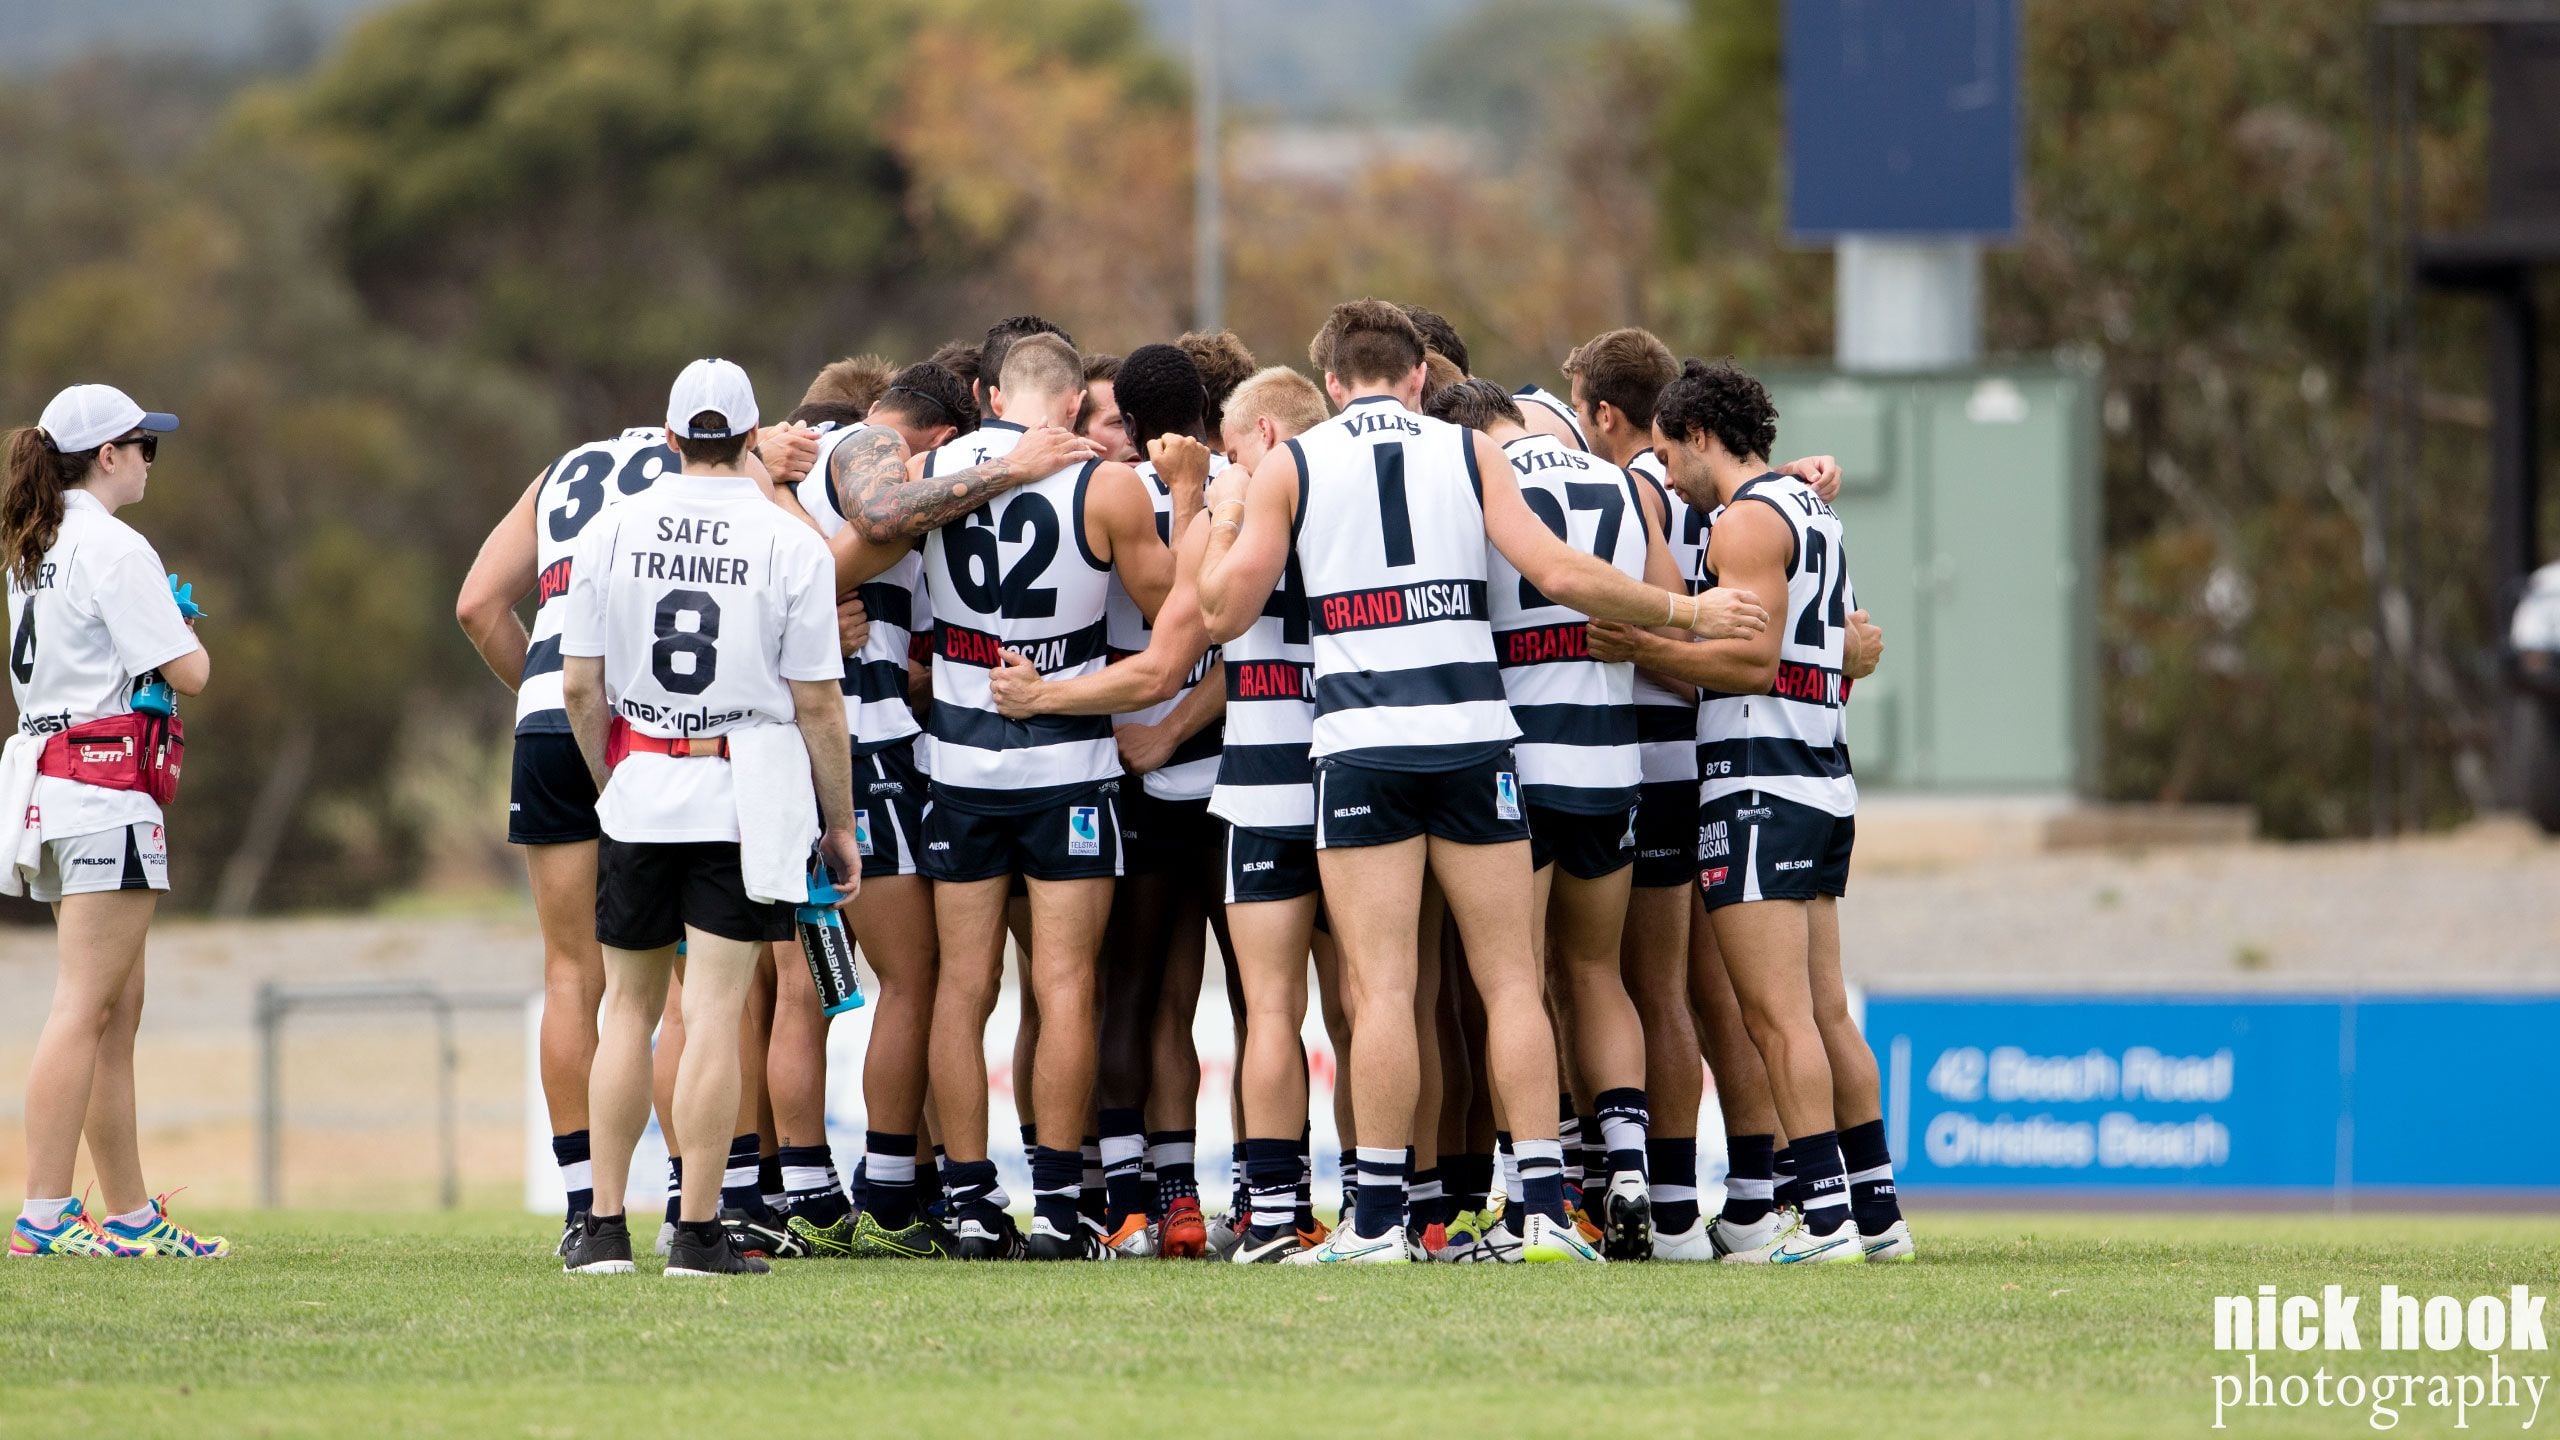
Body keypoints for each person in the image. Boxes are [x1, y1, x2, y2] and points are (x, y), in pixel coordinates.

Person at [1199, 300, 1767, 1265]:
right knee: (1513, 983)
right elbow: (1558, 570)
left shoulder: (1297, 462)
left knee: (1383, 991)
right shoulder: (1471, 455)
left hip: (1365, 747)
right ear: (1420, 377)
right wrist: (1687, 612)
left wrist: (1220, 522)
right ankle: (1543, 1209)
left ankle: (1376, 1224)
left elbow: (1224, 610)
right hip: (1477, 745)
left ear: (1332, 383)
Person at [1589, 358, 1906, 1265]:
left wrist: (1641, 642)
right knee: (1824, 1011)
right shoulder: (1817, 511)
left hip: (1758, 780)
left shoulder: (1747, 519)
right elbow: (1844, 644)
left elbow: (1749, 662)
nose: (1671, 479)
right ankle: (1877, 1214)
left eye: (1667, 453)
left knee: (1777, 1017)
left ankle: (1827, 1219)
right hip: (1820, 771)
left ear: (1697, 436)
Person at [553, 358, 861, 1278]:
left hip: (643, 781)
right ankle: (696, 1232)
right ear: (753, 433)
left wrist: (610, 783)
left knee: (626, 1013)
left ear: (674, 432)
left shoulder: (611, 528)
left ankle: (600, 1228)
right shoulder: (787, 540)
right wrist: (837, 823)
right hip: (745, 791)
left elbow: (579, 684)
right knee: (716, 1015)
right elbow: (817, 704)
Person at [909, 333, 1182, 1261]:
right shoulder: (1102, 484)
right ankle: (1063, 1213)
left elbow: (854, 553)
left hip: (957, 764)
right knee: (1064, 987)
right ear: (1071, 406)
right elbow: (1172, 610)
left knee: (961, 988)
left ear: (992, 394)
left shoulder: (936, 468)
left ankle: (968, 1203)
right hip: (1066, 765)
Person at [1427, 378, 1674, 1261]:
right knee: (1598, 972)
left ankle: (1535, 1193)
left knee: (1515, 984)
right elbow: (1665, 608)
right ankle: (1630, 1171)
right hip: (1611, 761)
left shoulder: (1472, 481)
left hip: (1519, 768)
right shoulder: (1612, 480)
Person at [3, 385, 221, 1261]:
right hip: (103, 790)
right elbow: (191, 672)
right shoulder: (112, 543)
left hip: (49, 784)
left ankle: (129, 1215)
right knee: (85, 1005)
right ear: (107, 457)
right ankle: (44, 1216)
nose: (146, 461)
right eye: (143, 447)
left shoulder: (36, 540)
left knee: (114, 1009)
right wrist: (181, 627)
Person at [769, 361, 977, 1258]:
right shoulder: (875, 454)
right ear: (932, 438)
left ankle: (807, 1193)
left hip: (788, 757)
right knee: (912, 976)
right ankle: (890, 1195)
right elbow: (869, 536)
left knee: (809, 988)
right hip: (864, 756)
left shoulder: (784, 480)